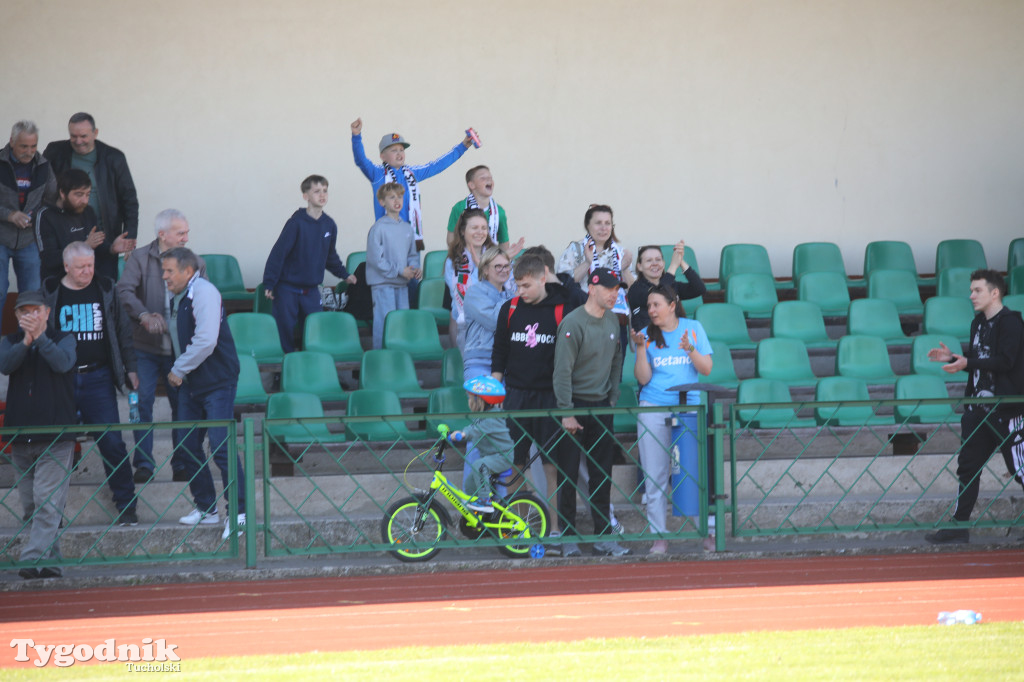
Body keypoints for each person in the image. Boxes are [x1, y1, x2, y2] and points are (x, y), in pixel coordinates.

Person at [924, 269, 1024, 544]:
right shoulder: (978, 323)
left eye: (977, 290)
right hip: (979, 412)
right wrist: (957, 358)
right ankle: (959, 526)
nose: (971, 295)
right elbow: (980, 360)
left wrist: (968, 362)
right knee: (968, 467)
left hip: (1007, 411)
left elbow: (1005, 362)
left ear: (995, 293)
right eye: (971, 290)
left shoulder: (1012, 323)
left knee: (1021, 470)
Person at [43, 242, 138, 525]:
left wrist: (130, 368)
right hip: (61, 380)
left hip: (99, 378)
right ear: (67, 267)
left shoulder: (106, 288)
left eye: (91, 265)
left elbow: (123, 330)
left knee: (112, 443)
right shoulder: (49, 291)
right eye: (82, 267)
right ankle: (51, 515)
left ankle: (127, 507)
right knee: (56, 447)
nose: (88, 271)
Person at [492, 251, 579, 540]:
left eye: (526, 285)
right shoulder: (510, 308)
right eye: (517, 285)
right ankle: (520, 527)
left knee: (551, 467)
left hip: (550, 398)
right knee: (515, 464)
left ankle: (555, 528)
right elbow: (500, 352)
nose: (520, 291)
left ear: (544, 278)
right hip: (516, 396)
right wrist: (495, 389)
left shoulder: (562, 308)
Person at [163, 247, 246, 540]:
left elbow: (207, 340)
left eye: (170, 271)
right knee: (186, 444)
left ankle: (239, 513)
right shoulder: (175, 294)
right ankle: (207, 508)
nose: (165, 276)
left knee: (221, 447)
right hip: (191, 382)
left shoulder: (204, 291)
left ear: (188, 271)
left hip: (217, 381)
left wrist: (179, 368)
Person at [116, 209, 199, 483]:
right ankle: (144, 464)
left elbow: (204, 298)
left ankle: (183, 464)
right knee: (141, 404)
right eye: (181, 233)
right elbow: (124, 291)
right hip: (144, 348)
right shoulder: (139, 257)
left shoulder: (195, 262)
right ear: (162, 234)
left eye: (186, 232)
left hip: (180, 349)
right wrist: (143, 315)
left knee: (183, 405)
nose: (186, 238)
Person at [629, 286, 713, 554]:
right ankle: (659, 537)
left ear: (672, 305)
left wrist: (690, 350)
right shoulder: (645, 335)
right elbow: (643, 379)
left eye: (656, 305)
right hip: (653, 407)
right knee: (655, 475)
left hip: (689, 411)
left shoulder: (693, 328)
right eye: (648, 306)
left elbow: (706, 369)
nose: (651, 311)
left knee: (693, 472)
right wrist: (641, 350)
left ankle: (707, 533)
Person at [552, 267, 629, 557]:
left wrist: (612, 397)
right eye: (610, 289)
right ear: (592, 287)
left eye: (617, 289)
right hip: (574, 406)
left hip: (601, 408)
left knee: (601, 474)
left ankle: (603, 536)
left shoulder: (612, 320)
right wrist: (566, 411)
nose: (615, 294)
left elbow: (617, 359)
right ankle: (567, 538)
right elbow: (562, 371)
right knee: (568, 475)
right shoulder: (573, 322)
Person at [0, 290, 77, 579]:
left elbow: (62, 363)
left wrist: (40, 339)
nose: (29, 316)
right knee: (32, 505)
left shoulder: (64, 339)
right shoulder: (9, 342)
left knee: (46, 500)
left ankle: (30, 559)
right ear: (17, 316)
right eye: (24, 312)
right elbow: (6, 365)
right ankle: (51, 563)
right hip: (21, 435)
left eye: (35, 311)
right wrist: (27, 341)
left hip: (56, 436)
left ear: (46, 312)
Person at [262, 174, 356, 353]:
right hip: (287, 289)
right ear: (306, 196)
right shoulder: (296, 223)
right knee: (284, 332)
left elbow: (330, 256)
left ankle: (310, 367)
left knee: (314, 331)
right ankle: (284, 370)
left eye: (325, 191)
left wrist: (344, 274)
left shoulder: (329, 225)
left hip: (311, 290)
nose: (322, 195)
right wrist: (269, 282)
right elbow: (278, 254)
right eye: (316, 191)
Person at [350, 118, 475, 251]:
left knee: (412, 271)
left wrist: (463, 146)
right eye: (393, 150)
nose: (399, 153)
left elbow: (437, 166)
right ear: (382, 156)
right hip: (386, 240)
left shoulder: (412, 173)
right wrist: (356, 136)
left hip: (411, 239)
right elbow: (361, 160)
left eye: (401, 150)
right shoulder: (377, 174)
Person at [43, 113, 138, 277]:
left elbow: (129, 199)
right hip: (67, 233)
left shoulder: (113, 157)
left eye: (83, 136)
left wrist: (129, 239)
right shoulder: (56, 151)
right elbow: (40, 183)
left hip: (104, 236)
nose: (78, 141)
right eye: (73, 136)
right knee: (67, 285)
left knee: (104, 286)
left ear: (95, 133)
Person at [36, 169, 134, 282]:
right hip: (57, 284)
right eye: (79, 194)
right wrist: (85, 245)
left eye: (88, 194)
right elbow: (49, 259)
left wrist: (112, 248)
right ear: (62, 193)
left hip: (88, 282)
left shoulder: (88, 211)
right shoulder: (45, 216)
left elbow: (98, 245)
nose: (85, 200)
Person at [1, 121, 56, 304]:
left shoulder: (43, 166)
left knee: (31, 296)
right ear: (11, 142)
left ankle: (28, 334)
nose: (29, 151)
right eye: (24, 146)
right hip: (1, 237)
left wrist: (37, 214)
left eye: (33, 146)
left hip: (29, 240)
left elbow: (52, 198)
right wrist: (9, 215)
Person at [448, 375, 515, 513]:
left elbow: (475, 430)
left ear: (479, 400)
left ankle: (485, 502)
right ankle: (478, 514)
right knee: (470, 483)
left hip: (502, 456)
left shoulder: (493, 417)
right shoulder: (483, 415)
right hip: (492, 456)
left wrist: (463, 434)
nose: (468, 401)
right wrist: (457, 435)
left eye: (470, 398)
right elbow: (473, 428)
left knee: (479, 465)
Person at [365, 182, 421, 349]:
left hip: (402, 284)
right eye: (391, 197)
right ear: (382, 202)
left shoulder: (407, 228)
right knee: (384, 325)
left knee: (400, 326)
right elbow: (376, 259)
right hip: (383, 285)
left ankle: (400, 364)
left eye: (400, 196)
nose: (397, 200)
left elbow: (412, 254)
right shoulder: (378, 228)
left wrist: (414, 267)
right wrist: (399, 270)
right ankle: (380, 363)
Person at [444, 208, 496, 347]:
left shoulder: (496, 256)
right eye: (474, 228)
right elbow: (466, 296)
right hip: (466, 327)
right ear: (462, 231)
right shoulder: (454, 261)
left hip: (495, 325)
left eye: (484, 228)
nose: (480, 232)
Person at [462, 246, 515, 380]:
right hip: (479, 361)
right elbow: (495, 321)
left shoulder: (511, 295)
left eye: (507, 266)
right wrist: (511, 299)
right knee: (481, 402)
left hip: (506, 363)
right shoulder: (474, 292)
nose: (504, 270)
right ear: (485, 269)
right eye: (498, 266)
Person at [628, 242, 707, 332]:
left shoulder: (671, 285)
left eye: (658, 259)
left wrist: (681, 261)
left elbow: (699, 289)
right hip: (650, 341)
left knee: (695, 337)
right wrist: (673, 266)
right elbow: (658, 294)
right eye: (649, 260)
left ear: (663, 263)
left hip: (678, 339)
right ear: (640, 267)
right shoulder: (636, 289)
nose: (655, 263)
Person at [445, 165, 522, 254]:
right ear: (471, 185)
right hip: (464, 259)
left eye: (490, 177)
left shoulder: (499, 212)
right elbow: (451, 238)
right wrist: (460, 257)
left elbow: (503, 242)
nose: (489, 180)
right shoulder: (460, 208)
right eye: (483, 178)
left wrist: (503, 259)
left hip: (489, 260)